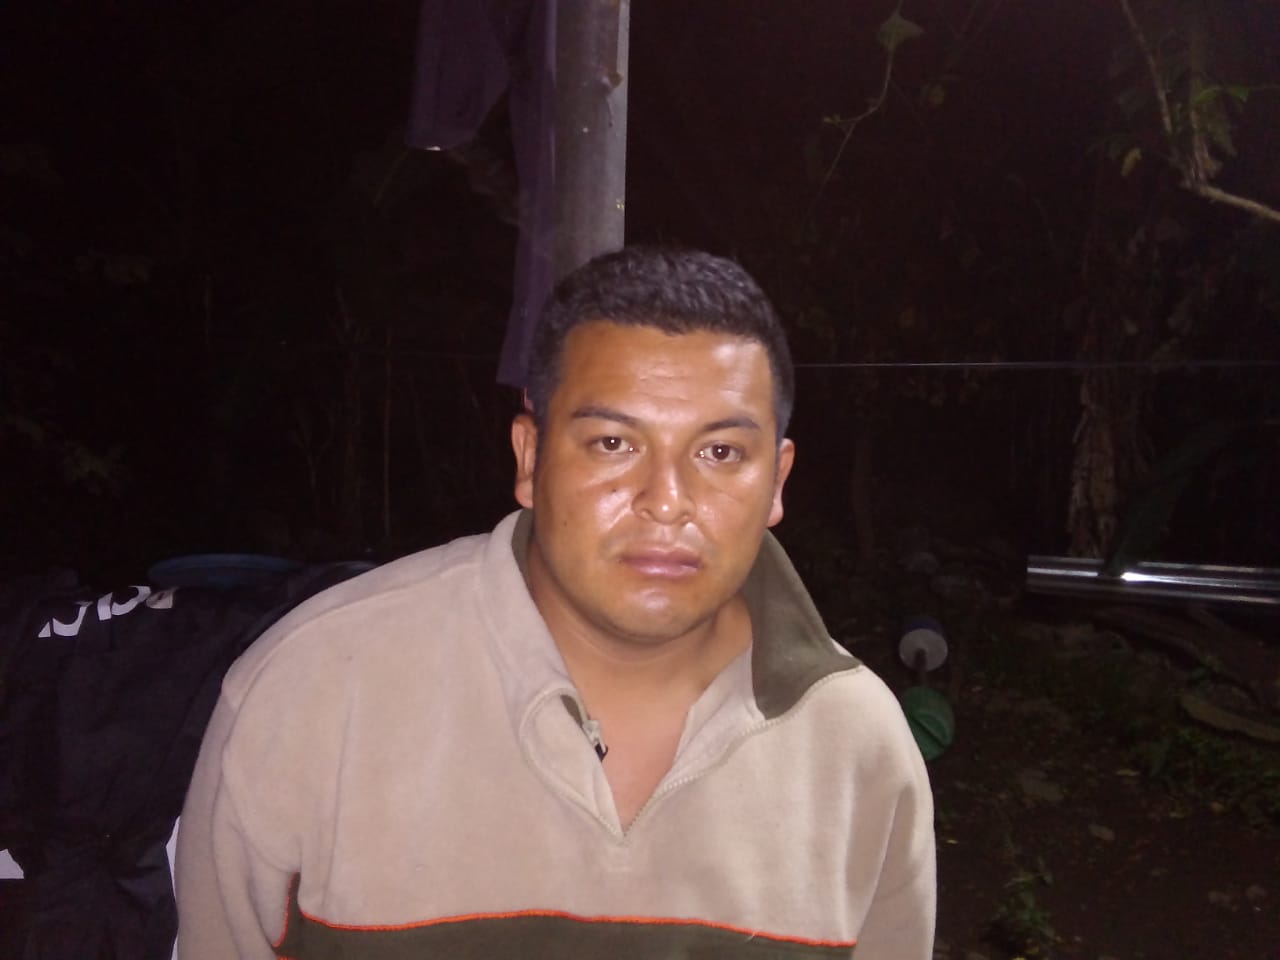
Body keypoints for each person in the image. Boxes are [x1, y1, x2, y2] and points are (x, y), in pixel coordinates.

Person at [175, 247, 936, 959]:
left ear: (776, 481)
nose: (666, 500)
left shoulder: (858, 749)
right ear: (531, 456)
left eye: (720, 452)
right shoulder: (311, 694)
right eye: (613, 443)